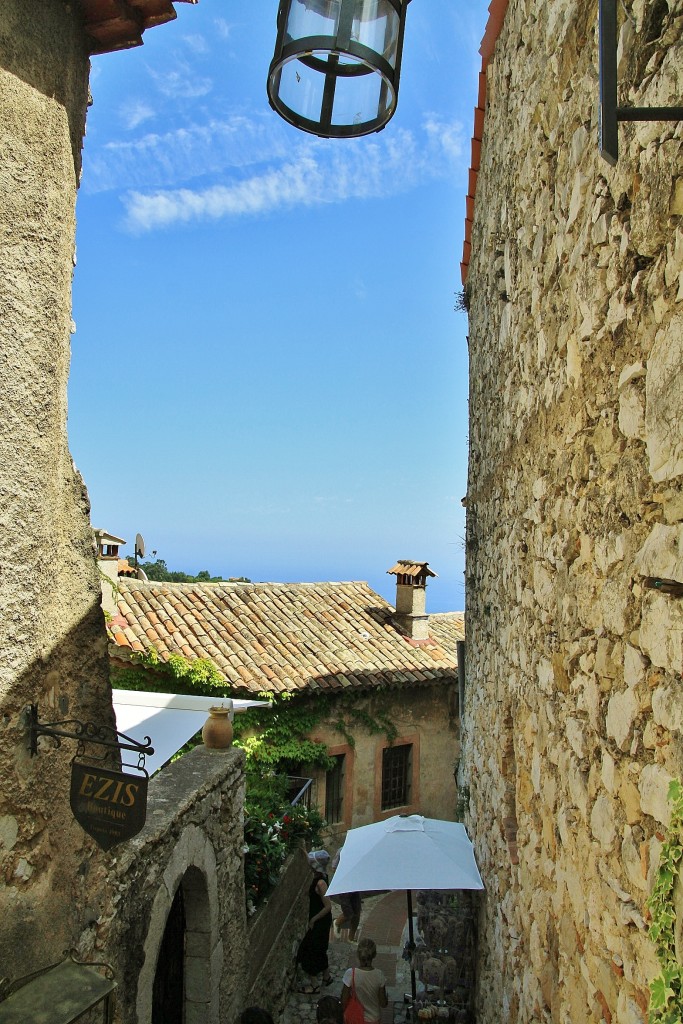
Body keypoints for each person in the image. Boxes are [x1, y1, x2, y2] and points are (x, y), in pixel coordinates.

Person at [296, 849, 333, 992]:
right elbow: (310, 861)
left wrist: (313, 919)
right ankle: (327, 976)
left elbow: (328, 906)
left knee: (308, 951)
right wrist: (303, 848)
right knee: (321, 948)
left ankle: (314, 985)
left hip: (320, 921)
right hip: (320, 921)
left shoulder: (320, 883)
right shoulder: (322, 875)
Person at [341, 938, 388, 1024]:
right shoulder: (379, 975)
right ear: (374, 955)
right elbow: (383, 1003)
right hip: (373, 1018)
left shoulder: (350, 974)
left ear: (358, 955)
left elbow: (344, 1001)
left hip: (355, 1018)